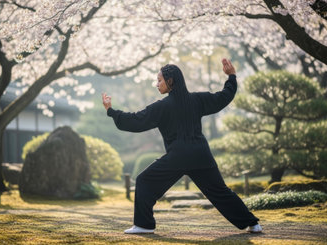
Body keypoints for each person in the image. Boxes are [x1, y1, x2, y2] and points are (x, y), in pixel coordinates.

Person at [102, 58, 262, 234]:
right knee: (220, 192)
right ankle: (253, 224)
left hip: (178, 156)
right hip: (201, 155)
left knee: (143, 181)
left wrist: (111, 111)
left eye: (160, 80)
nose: (157, 84)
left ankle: (144, 225)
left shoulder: (162, 106)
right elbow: (223, 97)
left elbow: (136, 121)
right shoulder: (197, 99)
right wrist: (231, 76)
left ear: (170, 81)